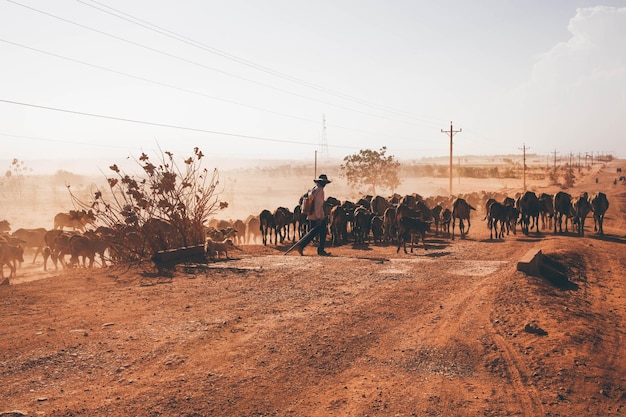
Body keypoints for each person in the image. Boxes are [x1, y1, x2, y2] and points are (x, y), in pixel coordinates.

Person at [294, 174, 332, 256]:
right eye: (324, 182)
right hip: (317, 216)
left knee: (314, 233)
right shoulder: (320, 190)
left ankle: (303, 245)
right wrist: (319, 217)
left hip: (311, 215)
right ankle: (303, 245)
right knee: (319, 233)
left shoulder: (313, 189)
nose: (325, 184)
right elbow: (318, 205)